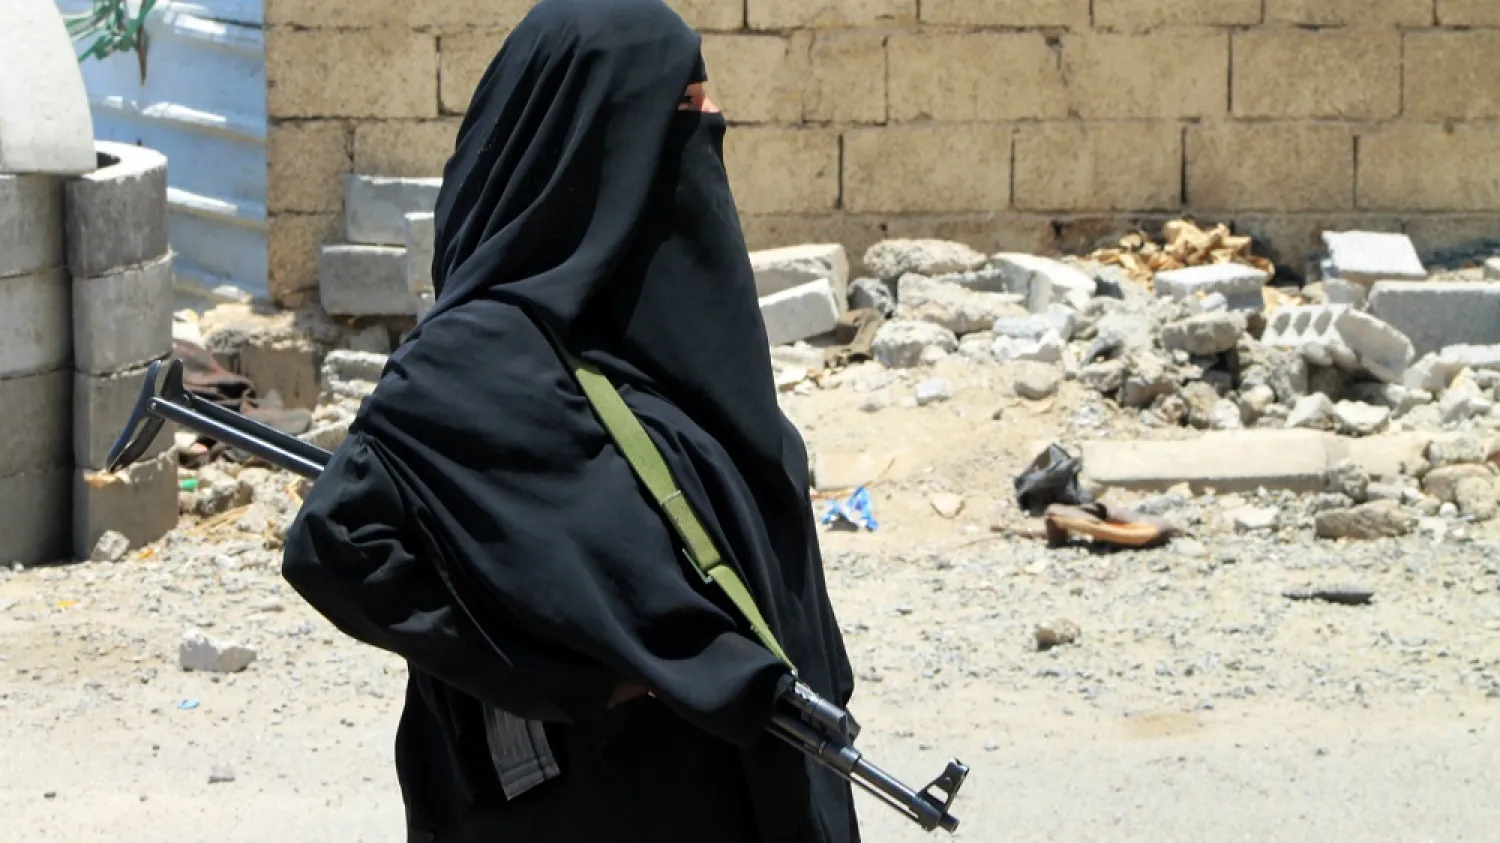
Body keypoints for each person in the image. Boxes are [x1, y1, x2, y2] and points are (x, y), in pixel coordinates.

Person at [278, 1, 862, 841]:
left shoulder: (682, 360)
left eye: (705, 100)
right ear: (591, 136)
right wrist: (576, 675)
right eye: (680, 105)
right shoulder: (475, 359)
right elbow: (336, 549)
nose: (711, 123)